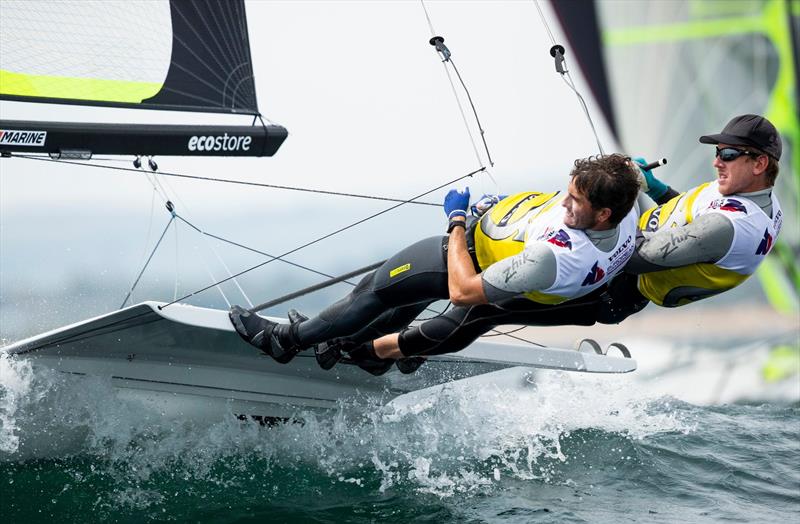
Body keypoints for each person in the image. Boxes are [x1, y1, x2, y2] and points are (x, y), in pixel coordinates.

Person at [362, 114, 784, 367]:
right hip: (611, 269)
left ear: (759, 163)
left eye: (728, 154)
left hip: (614, 289)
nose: (716, 161)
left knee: (480, 311)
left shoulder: (727, 226)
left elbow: (632, 258)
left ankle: (382, 353)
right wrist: (649, 187)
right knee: (474, 293)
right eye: (718, 151)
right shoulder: (750, 200)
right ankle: (394, 343)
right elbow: (683, 218)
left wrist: (603, 212)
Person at [229, 153, 642, 373]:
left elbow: (462, 293)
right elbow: (631, 171)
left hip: (470, 260)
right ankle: (345, 344)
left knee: (377, 290)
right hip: (507, 266)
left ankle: (286, 341)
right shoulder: (630, 207)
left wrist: (458, 220)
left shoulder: (552, 257)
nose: (565, 202)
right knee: (407, 300)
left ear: (603, 212)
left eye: (575, 201)